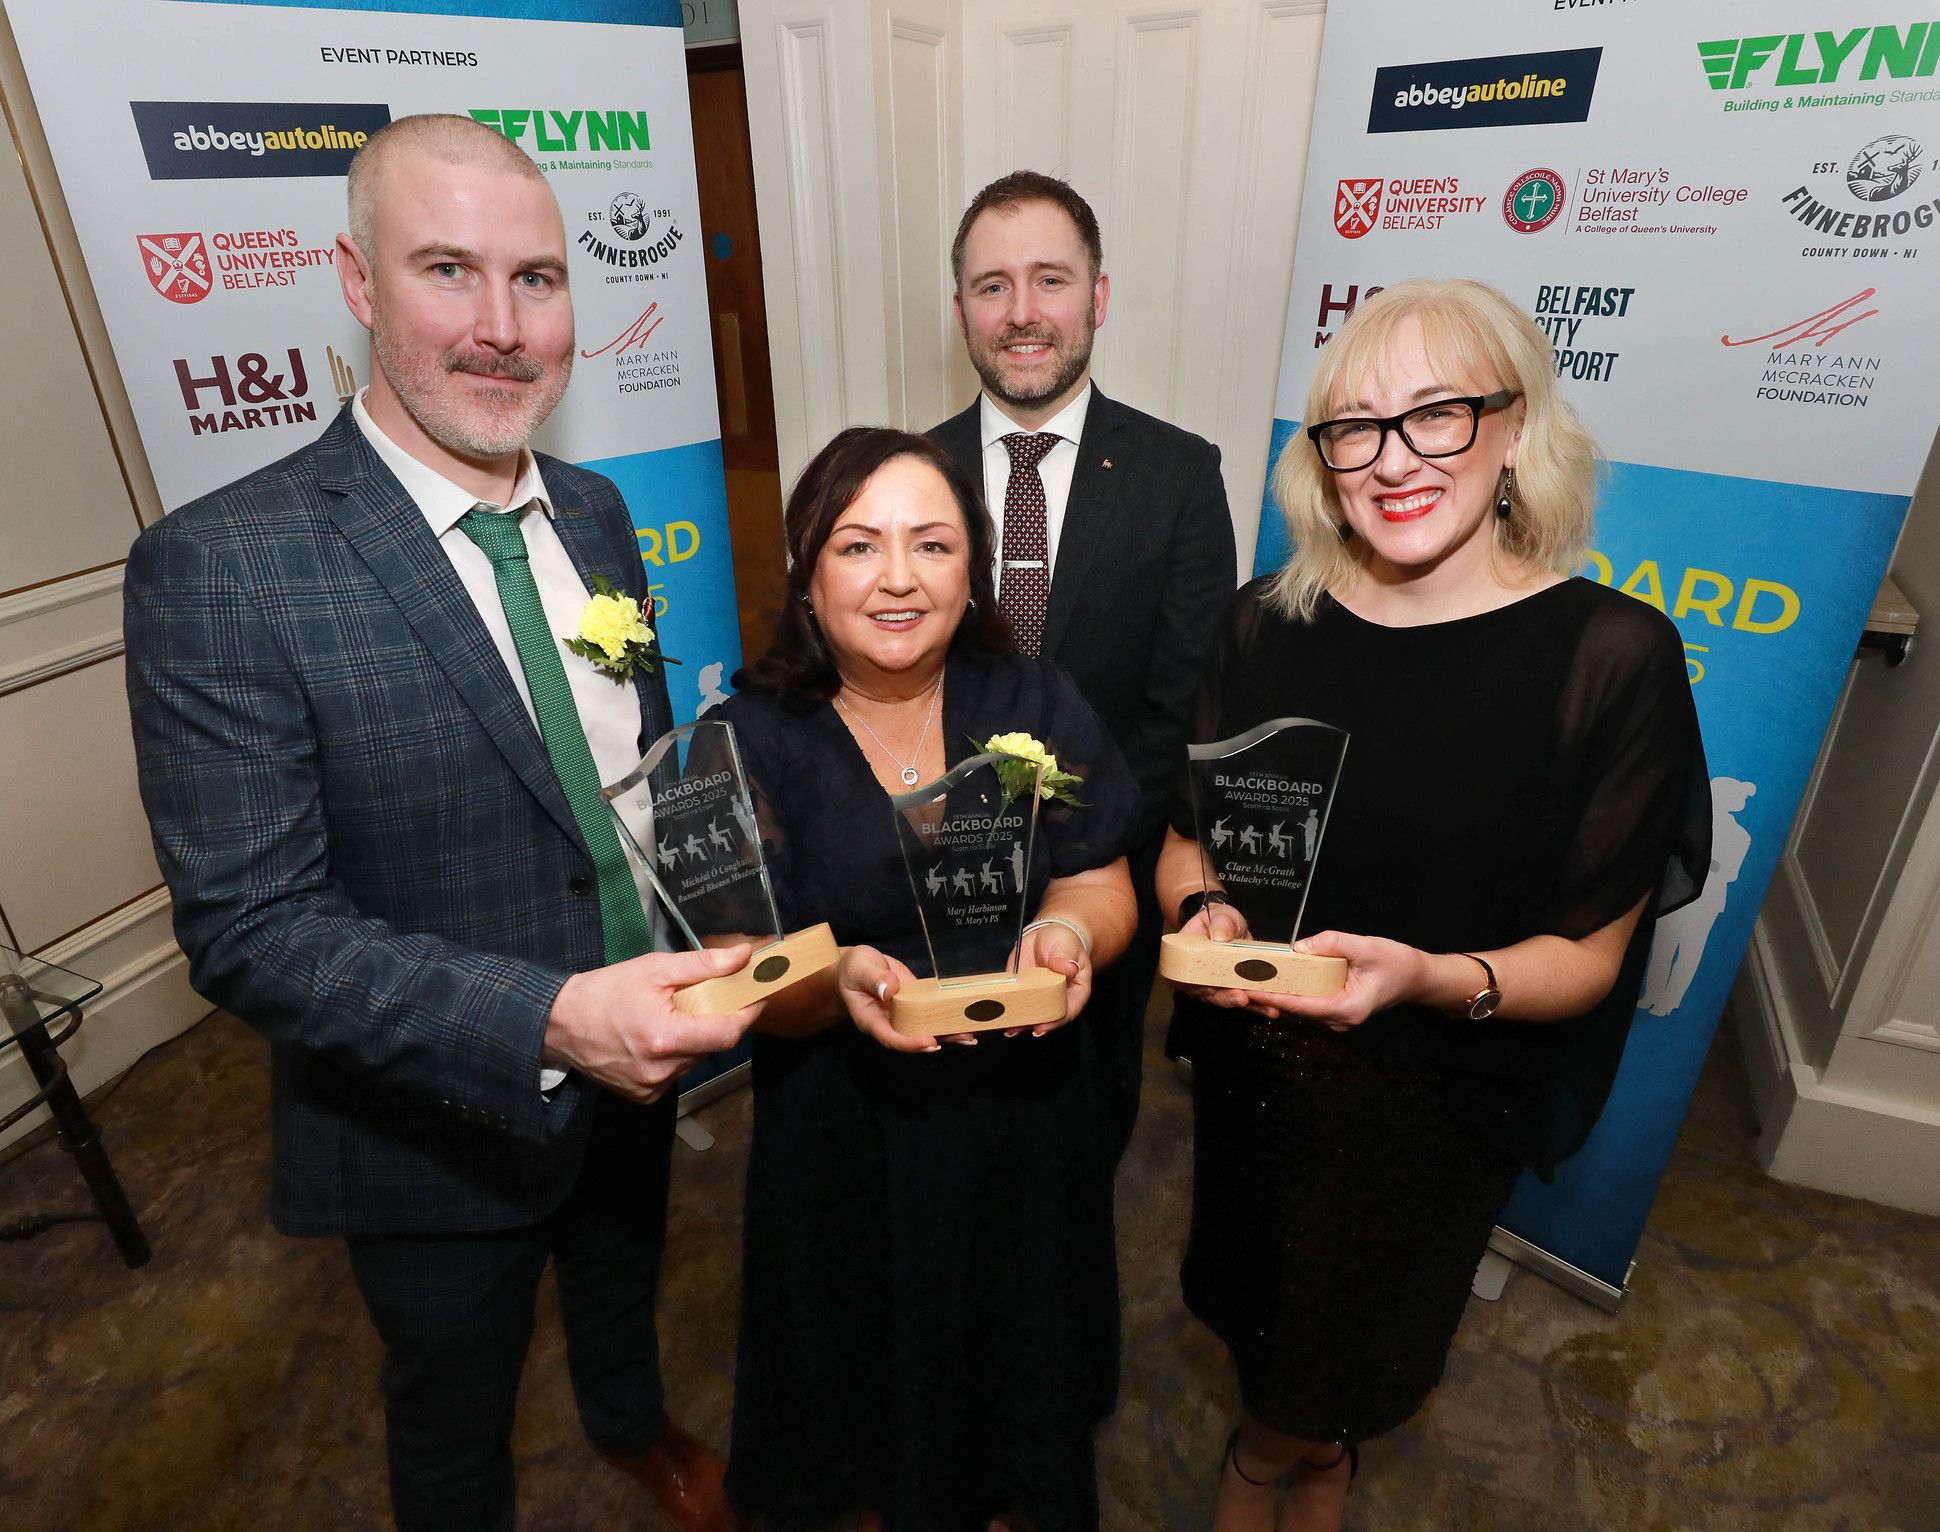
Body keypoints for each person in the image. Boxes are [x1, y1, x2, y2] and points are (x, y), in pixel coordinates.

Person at [123, 114, 755, 1532]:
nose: (502, 327)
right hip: (433, 1122)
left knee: (621, 1287)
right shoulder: (221, 569)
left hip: (638, 1060)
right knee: (450, 1417)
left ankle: (632, 1428)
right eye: (448, 272)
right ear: (356, 282)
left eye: (537, 280)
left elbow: (618, 776)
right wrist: (547, 1019)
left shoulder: (594, 511)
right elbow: (250, 929)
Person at [1153, 278, 1710, 1532]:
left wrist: (1426, 975)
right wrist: (1203, 916)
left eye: (1436, 415)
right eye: (1354, 427)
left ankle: (1281, 1453)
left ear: (1515, 427)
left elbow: (1585, 957)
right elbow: (1186, 846)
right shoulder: (1264, 623)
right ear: (1322, 457)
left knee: (1357, 1335)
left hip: (1435, 1095)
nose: (1391, 459)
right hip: (1260, 1071)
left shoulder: (1609, 658)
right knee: (1263, 1307)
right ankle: (1288, 1447)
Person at [714, 428, 1141, 1530]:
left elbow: (1101, 873)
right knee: (862, 1413)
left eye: (931, 543)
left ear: (973, 567)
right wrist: (835, 976)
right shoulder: (742, 739)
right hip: (844, 1137)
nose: (897, 576)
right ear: (808, 575)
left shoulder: (1034, 698)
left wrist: (1067, 933)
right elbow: (736, 968)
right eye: (858, 545)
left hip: (1025, 1120)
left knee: (1015, 1396)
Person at [928, 171, 1236, 1156]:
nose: (1021, 313)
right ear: (961, 307)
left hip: (1105, 873)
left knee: (1077, 1137)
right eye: (991, 285)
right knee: (940, 1129)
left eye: (1049, 280)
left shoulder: (1178, 475)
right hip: (927, 876)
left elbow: (1184, 707)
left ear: (1096, 297)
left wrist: (1068, 846)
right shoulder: (907, 473)